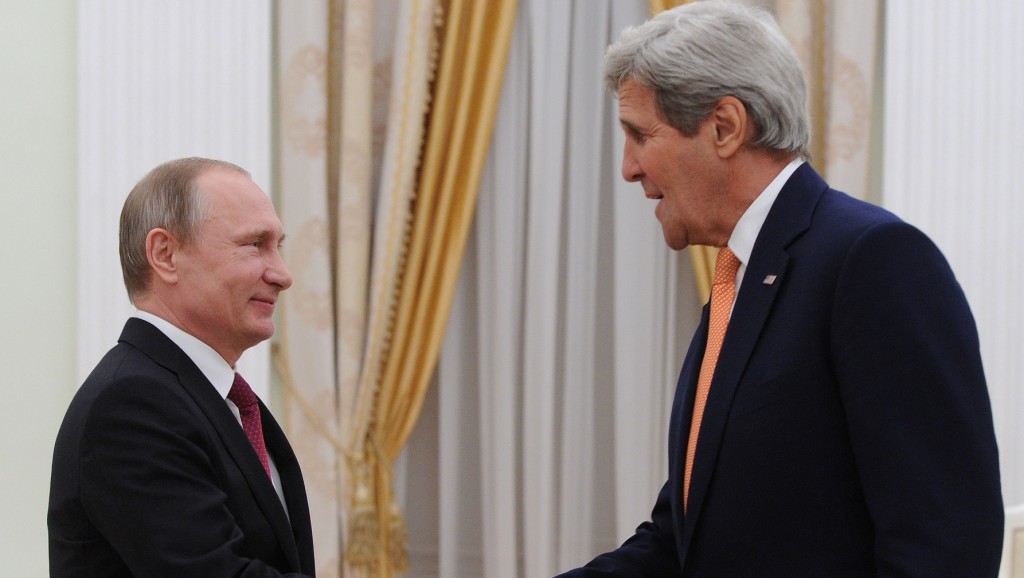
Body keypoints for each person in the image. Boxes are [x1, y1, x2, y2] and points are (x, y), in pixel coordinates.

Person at [558, 1, 1003, 576]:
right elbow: (681, 541)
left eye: (641, 135)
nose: (629, 167)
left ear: (724, 127)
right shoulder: (738, 279)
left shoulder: (873, 261)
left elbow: (946, 549)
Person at [48, 158, 316, 576]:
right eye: (253, 244)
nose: (282, 275)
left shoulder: (217, 400)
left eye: (277, 246)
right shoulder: (131, 407)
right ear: (165, 255)